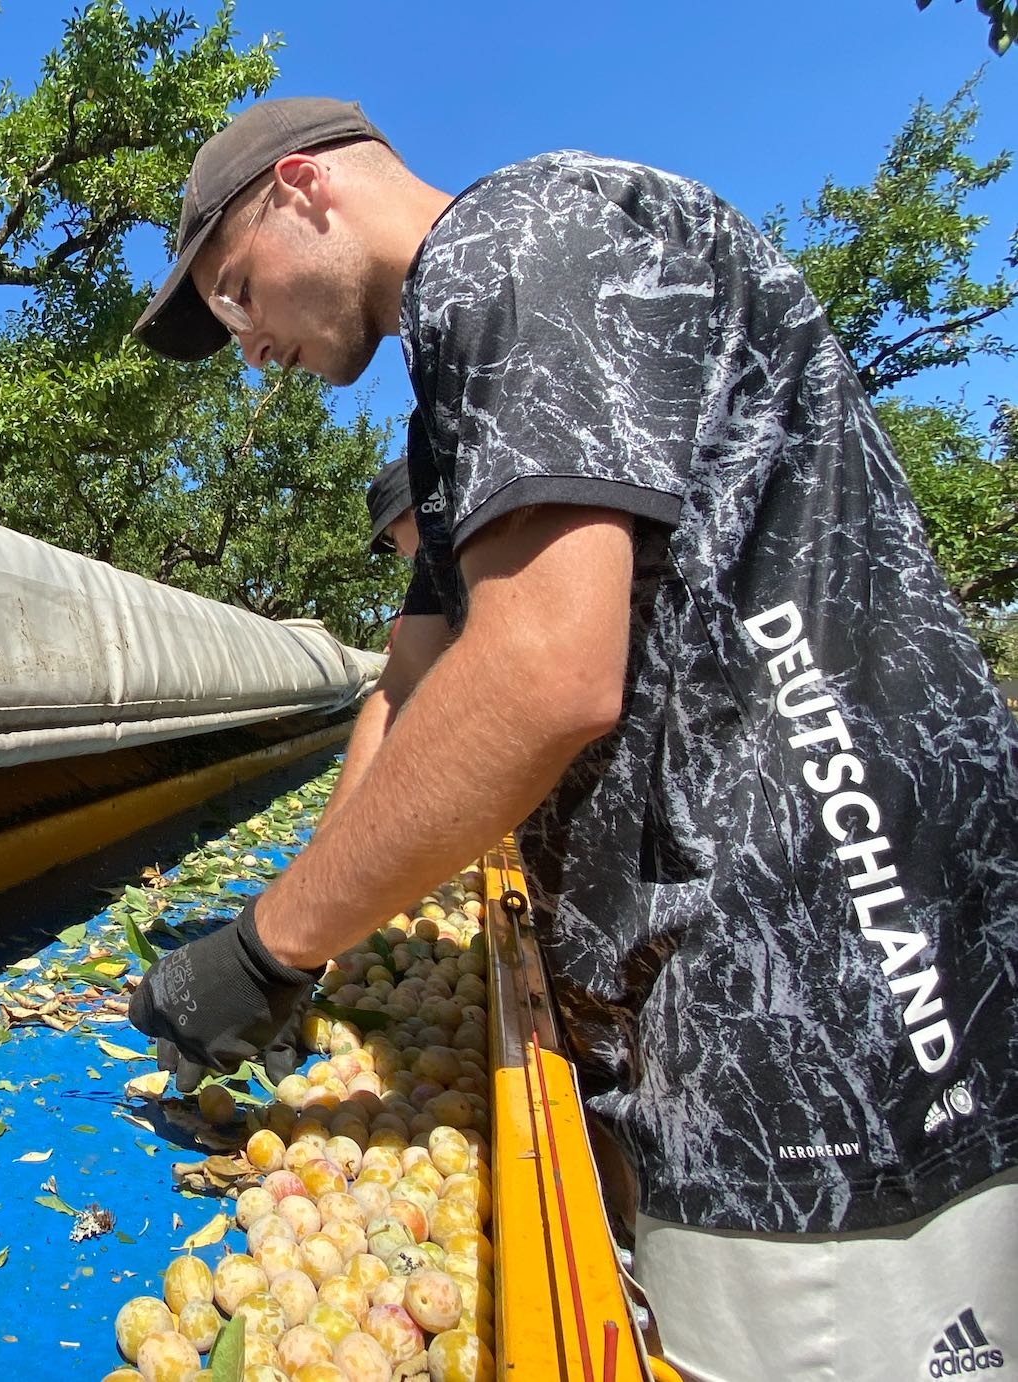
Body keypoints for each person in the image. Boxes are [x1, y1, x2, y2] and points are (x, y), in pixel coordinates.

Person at [125, 96, 1018, 1380]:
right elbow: (414, 691)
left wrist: (269, 945)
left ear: (302, 190)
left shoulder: (518, 245)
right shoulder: (451, 400)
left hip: (827, 989)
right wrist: (311, 922)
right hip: (701, 981)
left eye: (232, 291)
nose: (248, 340)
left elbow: (540, 672)